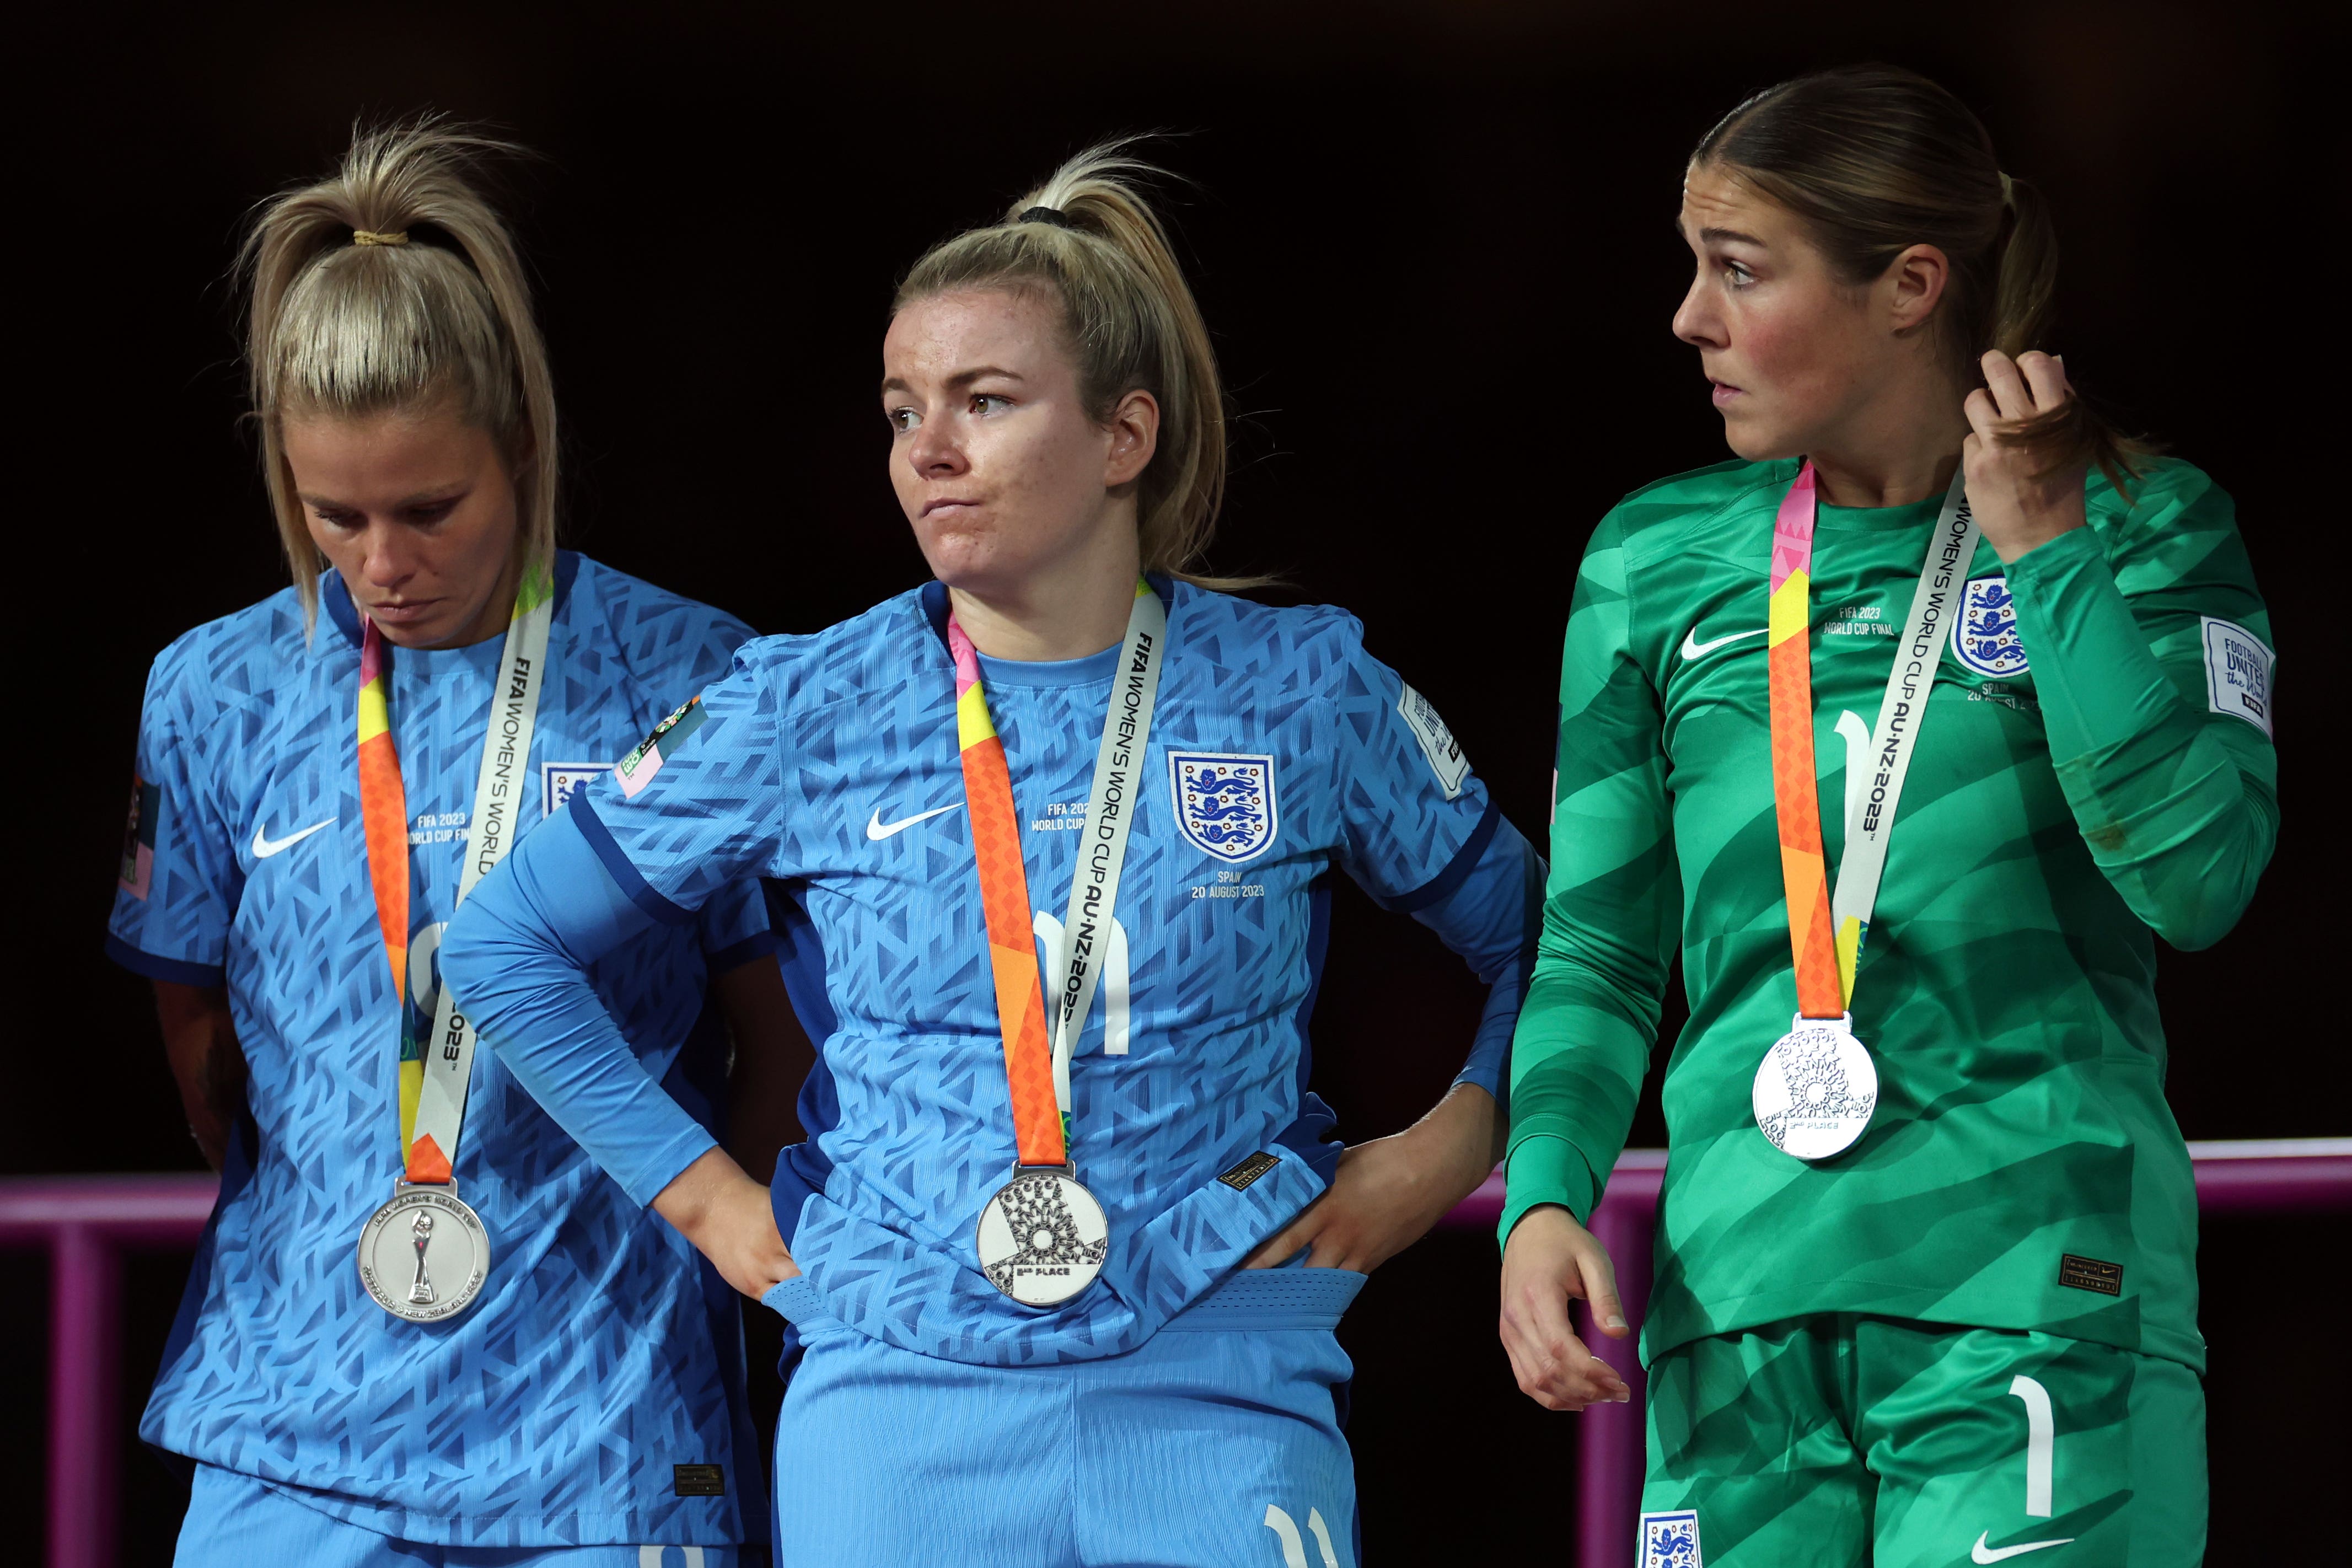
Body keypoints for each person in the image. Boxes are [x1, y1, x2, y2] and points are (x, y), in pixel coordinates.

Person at [442, 142, 1540, 1567]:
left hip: (1219, 1369)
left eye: (985, 401)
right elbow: (501, 943)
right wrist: (702, 1196)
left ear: (1123, 436)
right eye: (904, 410)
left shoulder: (1299, 687)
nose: (927, 450)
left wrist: (1446, 1147)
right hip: (894, 1383)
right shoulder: (803, 701)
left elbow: (1558, 941)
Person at [1496, 65, 2274, 1568]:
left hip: (2039, 1293)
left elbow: (2199, 876)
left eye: (1737, 270)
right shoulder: (1649, 561)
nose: (1687, 318)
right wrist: (1544, 1197)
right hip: (1734, 1319)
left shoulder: (2143, 521)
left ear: (1908, 285)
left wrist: (2043, 550)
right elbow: (1596, 952)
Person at [106, 121, 807, 1565]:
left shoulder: (693, 674)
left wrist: (666, 1259)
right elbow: (198, 1036)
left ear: (527, 446)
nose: (381, 563)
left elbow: (777, 1044)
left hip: (609, 1423)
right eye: (332, 514)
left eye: (430, 509)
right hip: (293, 1419)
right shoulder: (212, 688)